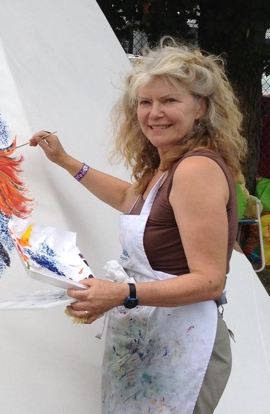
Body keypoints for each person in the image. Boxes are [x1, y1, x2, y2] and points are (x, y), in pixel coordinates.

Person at [30, 38, 247, 413]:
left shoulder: (196, 169)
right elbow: (128, 198)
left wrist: (121, 293)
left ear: (202, 108)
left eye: (169, 101)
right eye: (145, 102)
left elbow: (210, 280)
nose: (154, 113)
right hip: (153, 337)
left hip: (185, 343)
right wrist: (65, 161)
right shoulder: (168, 168)